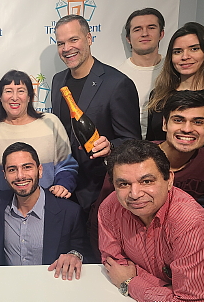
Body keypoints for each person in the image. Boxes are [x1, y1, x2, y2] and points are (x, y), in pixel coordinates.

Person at [89, 90, 204, 260]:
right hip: (133, 254)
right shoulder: (131, 160)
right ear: (164, 124)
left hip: (185, 251)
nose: (187, 129)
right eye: (178, 120)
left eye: (198, 122)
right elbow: (102, 219)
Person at [99, 139, 204, 300]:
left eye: (147, 181)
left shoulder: (191, 224)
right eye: (124, 184)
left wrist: (131, 282)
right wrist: (166, 288)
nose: (135, 194)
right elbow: (114, 264)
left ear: (169, 180)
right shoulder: (110, 207)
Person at [51, 14, 141, 211]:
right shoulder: (58, 81)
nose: (67, 49)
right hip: (64, 188)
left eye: (74, 40)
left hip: (100, 190)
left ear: (89, 39)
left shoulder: (117, 83)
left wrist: (111, 147)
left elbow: (133, 141)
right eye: (61, 43)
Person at [0, 70, 78, 198]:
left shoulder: (50, 122)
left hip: (45, 204)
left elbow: (67, 165)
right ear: (0, 97)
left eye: (21, 91)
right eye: (8, 91)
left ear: (29, 97)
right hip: (0, 206)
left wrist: (64, 184)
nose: (14, 97)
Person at [0, 142, 89, 280]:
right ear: (5, 175)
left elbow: (83, 250)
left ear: (40, 170)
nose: (20, 176)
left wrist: (74, 255)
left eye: (27, 167)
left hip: (53, 288)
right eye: (12, 170)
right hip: (8, 287)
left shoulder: (69, 212)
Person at [146, 22, 204, 146]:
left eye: (194, 49)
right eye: (178, 51)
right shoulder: (158, 95)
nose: (185, 56)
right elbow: (150, 142)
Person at [118, 8, 165, 138]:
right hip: (131, 148)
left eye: (151, 27)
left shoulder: (174, 70)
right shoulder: (117, 77)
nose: (144, 34)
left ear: (161, 34)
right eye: (137, 29)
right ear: (128, 38)